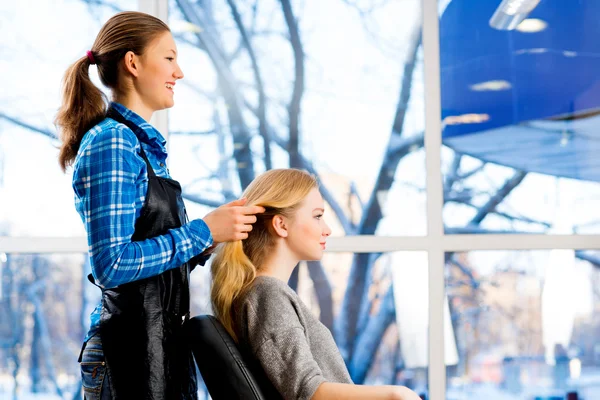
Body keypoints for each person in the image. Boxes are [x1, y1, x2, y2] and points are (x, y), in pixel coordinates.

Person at [55, 11, 264, 400]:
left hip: (157, 344)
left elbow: (153, 261)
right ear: (132, 63)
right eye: (169, 57)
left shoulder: (143, 147)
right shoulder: (113, 142)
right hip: (126, 353)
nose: (179, 72)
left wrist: (214, 236)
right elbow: (113, 264)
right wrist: (201, 230)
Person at [211, 169, 421, 400]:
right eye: (318, 216)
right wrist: (395, 393)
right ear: (281, 225)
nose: (327, 229)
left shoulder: (263, 294)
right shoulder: (267, 295)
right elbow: (310, 393)